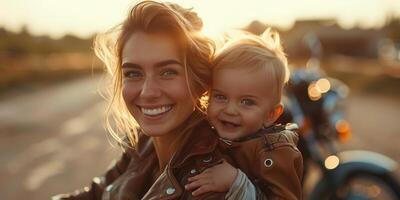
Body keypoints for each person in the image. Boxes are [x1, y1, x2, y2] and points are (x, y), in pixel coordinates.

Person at [53, 1, 270, 199]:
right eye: (133, 73)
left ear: (200, 81)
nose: (148, 92)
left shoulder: (211, 183)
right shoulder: (143, 144)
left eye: (167, 72)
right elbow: (98, 193)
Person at [184, 30, 303, 199]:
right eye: (220, 96)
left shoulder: (275, 152)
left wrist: (237, 182)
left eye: (247, 102)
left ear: (271, 115)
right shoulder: (207, 133)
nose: (230, 110)